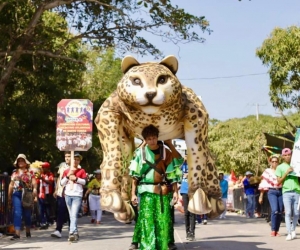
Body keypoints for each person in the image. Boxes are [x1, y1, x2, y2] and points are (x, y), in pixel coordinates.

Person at [129, 125, 183, 250]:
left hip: (162, 192)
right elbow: (134, 176)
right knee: (147, 220)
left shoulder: (165, 152)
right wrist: (133, 194)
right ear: (145, 140)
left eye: (154, 138)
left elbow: (173, 172)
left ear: (157, 138)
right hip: (146, 191)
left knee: (163, 220)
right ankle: (148, 247)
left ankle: (164, 245)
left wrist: (176, 192)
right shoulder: (140, 153)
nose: (152, 141)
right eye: (149, 139)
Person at [8, 154, 37, 240]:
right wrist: (9, 196)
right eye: (19, 161)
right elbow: (11, 185)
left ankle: (28, 231)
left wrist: (35, 189)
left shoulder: (30, 172)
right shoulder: (14, 173)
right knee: (17, 212)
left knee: (27, 214)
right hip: (16, 193)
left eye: (22, 161)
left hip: (27, 194)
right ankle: (17, 233)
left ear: (25, 162)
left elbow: (34, 182)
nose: (20, 162)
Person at [61, 153, 87, 242]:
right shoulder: (66, 171)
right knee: (71, 215)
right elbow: (62, 183)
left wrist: (76, 178)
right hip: (68, 194)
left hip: (77, 195)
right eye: (74, 159)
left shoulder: (82, 171)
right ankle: (75, 232)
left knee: (74, 214)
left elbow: (84, 182)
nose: (75, 161)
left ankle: (71, 232)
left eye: (77, 159)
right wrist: (68, 176)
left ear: (79, 161)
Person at [275, 148, 300, 241]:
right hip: (286, 192)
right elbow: (278, 182)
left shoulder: (297, 165)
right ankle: (289, 232)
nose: (287, 156)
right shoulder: (280, 167)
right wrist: (286, 172)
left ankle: (293, 230)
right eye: (285, 155)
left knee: (297, 213)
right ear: (282, 156)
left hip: (297, 191)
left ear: (291, 154)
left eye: (289, 154)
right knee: (288, 212)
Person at [258, 154, 283, 237]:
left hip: (280, 191)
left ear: (278, 162)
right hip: (272, 191)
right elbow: (263, 183)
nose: (274, 163)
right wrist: (261, 196)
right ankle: (273, 230)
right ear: (270, 162)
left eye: (276, 161)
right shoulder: (267, 171)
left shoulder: (281, 170)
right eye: (273, 161)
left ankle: (277, 230)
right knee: (275, 210)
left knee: (279, 212)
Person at [51, 151, 71, 238]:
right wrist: (56, 189)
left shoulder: (76, 166)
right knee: (60, 211)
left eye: (69, 156)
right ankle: (58, 230)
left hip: (71, 191)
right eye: (66, 156)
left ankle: (72, 230)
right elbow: (59, 177)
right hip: (62, 191)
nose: (67, 158)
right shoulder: (62, 166)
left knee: (70, 212)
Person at [179, 155, 196, 241]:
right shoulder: (183, 165)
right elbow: (177, 171)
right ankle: (187, 232)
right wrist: (183, 161)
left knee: (192, 212)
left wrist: (189, 174)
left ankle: (192, 233)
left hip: (192, 191)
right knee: (186, 212)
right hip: (184, 190)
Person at [37, 162, 54, 229]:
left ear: (47, 168)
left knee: (47, 209)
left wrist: (43, 179)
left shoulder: (50, 174)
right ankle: (43, 222)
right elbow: (37, 184)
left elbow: (50, 182)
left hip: (48, 194)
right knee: (41, 209)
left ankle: (48, 220)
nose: (42, 168)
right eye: (42, 167)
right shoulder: (40, 175)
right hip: (41, 194)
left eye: (44, 167)